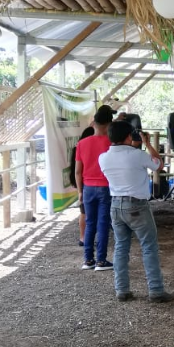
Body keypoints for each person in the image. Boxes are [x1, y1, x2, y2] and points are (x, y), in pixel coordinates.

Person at [98, 121, 174, 303]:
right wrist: (148, 143)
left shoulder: (103, 158)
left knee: (121, 247)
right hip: (137, 205)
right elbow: (158, 164)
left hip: (116, 205)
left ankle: (122, 290)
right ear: (129, 136)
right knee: (149, 246)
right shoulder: (138, 155)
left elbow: (125, 158)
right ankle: (156, 290)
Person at [75, 106, 114, 271]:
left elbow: (78, 171)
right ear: (108, 124)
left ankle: (87, 260)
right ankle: (101, 261)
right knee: (103, 223)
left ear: (94, 123)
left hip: (87, 187)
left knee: (90, 223)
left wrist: (79, 191)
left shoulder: (82, 143)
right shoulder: (111, 143)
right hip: (106, 186)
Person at [70, 123, 96, 246]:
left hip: (83, 183)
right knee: (86, 212)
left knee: (84, 211)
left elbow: (76, 171)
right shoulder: (85, 147)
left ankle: (83, 237)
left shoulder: (78, 147)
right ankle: (84, 237)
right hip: (87, 183)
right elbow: (78, 171)